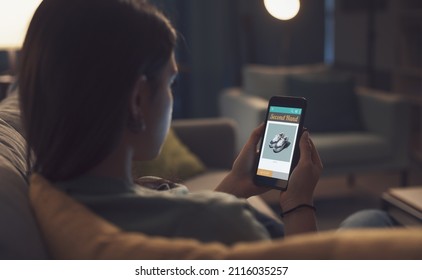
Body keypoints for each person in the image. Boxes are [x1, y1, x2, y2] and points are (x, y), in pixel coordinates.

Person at [18, 0, 323, 245]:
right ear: (138, 101)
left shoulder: (48, 191)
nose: (171, 97)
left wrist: (236, 184)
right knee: (367, 222)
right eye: (171, 82)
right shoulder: (224, 223)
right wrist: (298, 202)